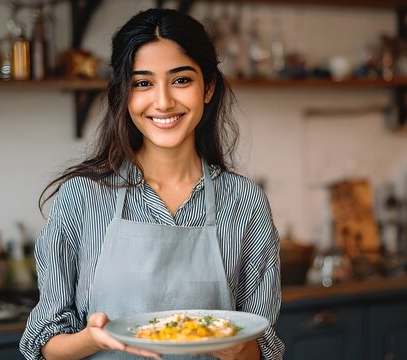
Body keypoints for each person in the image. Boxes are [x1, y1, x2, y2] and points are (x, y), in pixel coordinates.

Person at [20, 8, 283, 360]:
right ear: (124, 94)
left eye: (181, 80)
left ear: (208, 88)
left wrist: (235, 349)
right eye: (143, 83)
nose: (163, 102)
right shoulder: (82, 197)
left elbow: (262, 350)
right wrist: (93, 339)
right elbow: (43, 344)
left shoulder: (245, 202)